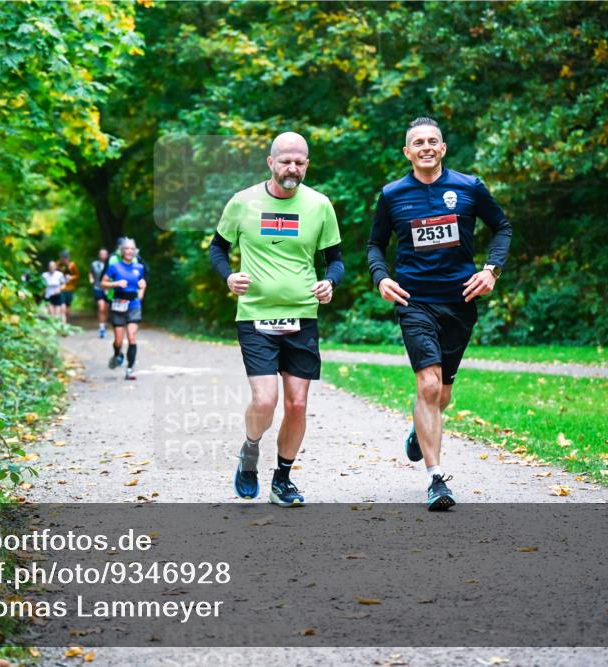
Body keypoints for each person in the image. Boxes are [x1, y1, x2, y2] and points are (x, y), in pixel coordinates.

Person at [367, 116, 512, 511]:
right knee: (428, 387)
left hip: (460, 301)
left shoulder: (469, 187)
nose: (426, 147)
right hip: (415, 301)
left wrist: (491, 270)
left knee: (442, 393)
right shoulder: (393, 194)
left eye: (433, 141)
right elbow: (376, 245)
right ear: (408, 152)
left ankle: (420, 428)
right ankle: (436, 479)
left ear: (443, 148)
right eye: (418, 142)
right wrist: (381, 278)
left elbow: (502, 227)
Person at [208, 132, 343, 508]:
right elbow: (218, 248)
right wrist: (228, 276)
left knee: (297, 405)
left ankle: (282, 479)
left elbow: (336, 260)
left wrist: (330, 282)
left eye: (299, 162)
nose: (292, 168)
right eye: (285, 161)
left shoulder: (319, 206)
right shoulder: (242, 203)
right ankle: (250, 450)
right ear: (270, 162)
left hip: (302, 315)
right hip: (255, 316)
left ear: (307, 165)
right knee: (265, 401)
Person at [101, 238, 146, 381]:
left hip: (133, 305)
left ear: (135, 251)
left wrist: (141, 291)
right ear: (122, 251)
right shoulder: (114, 267)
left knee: (132, 337)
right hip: (118, 306)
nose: (129, 251)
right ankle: (117, 354)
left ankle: (130, 369)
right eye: (127, 248)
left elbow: (142, 283)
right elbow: (102, 284)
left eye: (132, 249)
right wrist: (116, 284)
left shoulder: (139, 267)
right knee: (118, 341)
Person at [89, 248, 110, 338]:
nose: (103, 256)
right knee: (101, 307)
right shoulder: (94, 264)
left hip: (108, 289)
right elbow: (90, 273)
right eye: (101, 254)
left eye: (104, 254)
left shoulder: (111, 264)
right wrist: (91, 279)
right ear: (99, 255)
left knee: (106, 308)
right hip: (98, 287)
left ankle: (104, 324)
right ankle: (101, 327)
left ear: (107, 255)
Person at [56, 250, 80, 320]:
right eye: (62, 258)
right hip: (61, 289)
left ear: (68, 258)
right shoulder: (57, 265)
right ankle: (63, 321)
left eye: (65, 258)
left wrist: (71, 277)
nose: (63, 259)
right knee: (62, 306)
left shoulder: (72, 265)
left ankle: (66, 319)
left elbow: (77, 275)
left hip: (69, 288)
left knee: (67, 306)